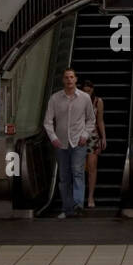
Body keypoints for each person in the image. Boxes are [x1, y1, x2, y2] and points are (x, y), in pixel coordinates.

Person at [44, 68, 96, 218]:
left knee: (78, 172)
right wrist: (53, 138)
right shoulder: (55, 98)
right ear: (63, 80)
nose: (69, 80)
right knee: (64, 176)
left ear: (76, 79)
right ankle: (67, 209)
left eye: (71, 77)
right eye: (66, 77)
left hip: (78, 142)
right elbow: (47, 121)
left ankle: (78, 205)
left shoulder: (85, 98)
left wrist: (85, 135)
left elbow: (91, 119)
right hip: (61, 143)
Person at [81, 78, 107, 209]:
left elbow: (100, 121)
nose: (88, 90)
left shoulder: (98, 101)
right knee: (78, 168)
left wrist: (103, 137)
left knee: (92, 167)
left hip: (93, 137)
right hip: (78, 137)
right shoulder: (77, 100)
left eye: (90, 88)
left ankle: (90, 196)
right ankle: (78, 197)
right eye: (85, 88)